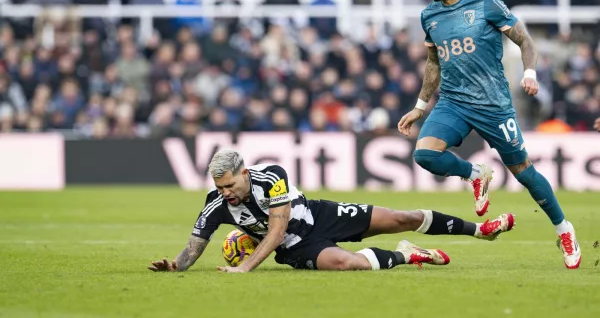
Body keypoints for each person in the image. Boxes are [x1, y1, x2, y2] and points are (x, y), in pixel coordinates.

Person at [397, 0, 580, 269]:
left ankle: (564, 229)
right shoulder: (430, 15)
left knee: (523, 173)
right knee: (425, 154)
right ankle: (475, 173)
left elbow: (524, 40)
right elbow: (433, 63)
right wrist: (421, 106)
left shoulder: (485, 2)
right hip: (453, 101)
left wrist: (530, 73)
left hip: (493, 104)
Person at [148, 149, 514, 273]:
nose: (225, 193)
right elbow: (195, 244)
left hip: (319, 215)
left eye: (229, 185)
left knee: (401, 217)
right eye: (219, 188)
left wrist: (244, 267)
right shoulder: (216, 205)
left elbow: (276, 227)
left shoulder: (271, 176)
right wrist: (177, 264)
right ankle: (407, 255)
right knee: (349, 264)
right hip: (297, 248)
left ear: (243, 173)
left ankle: (478, 231)